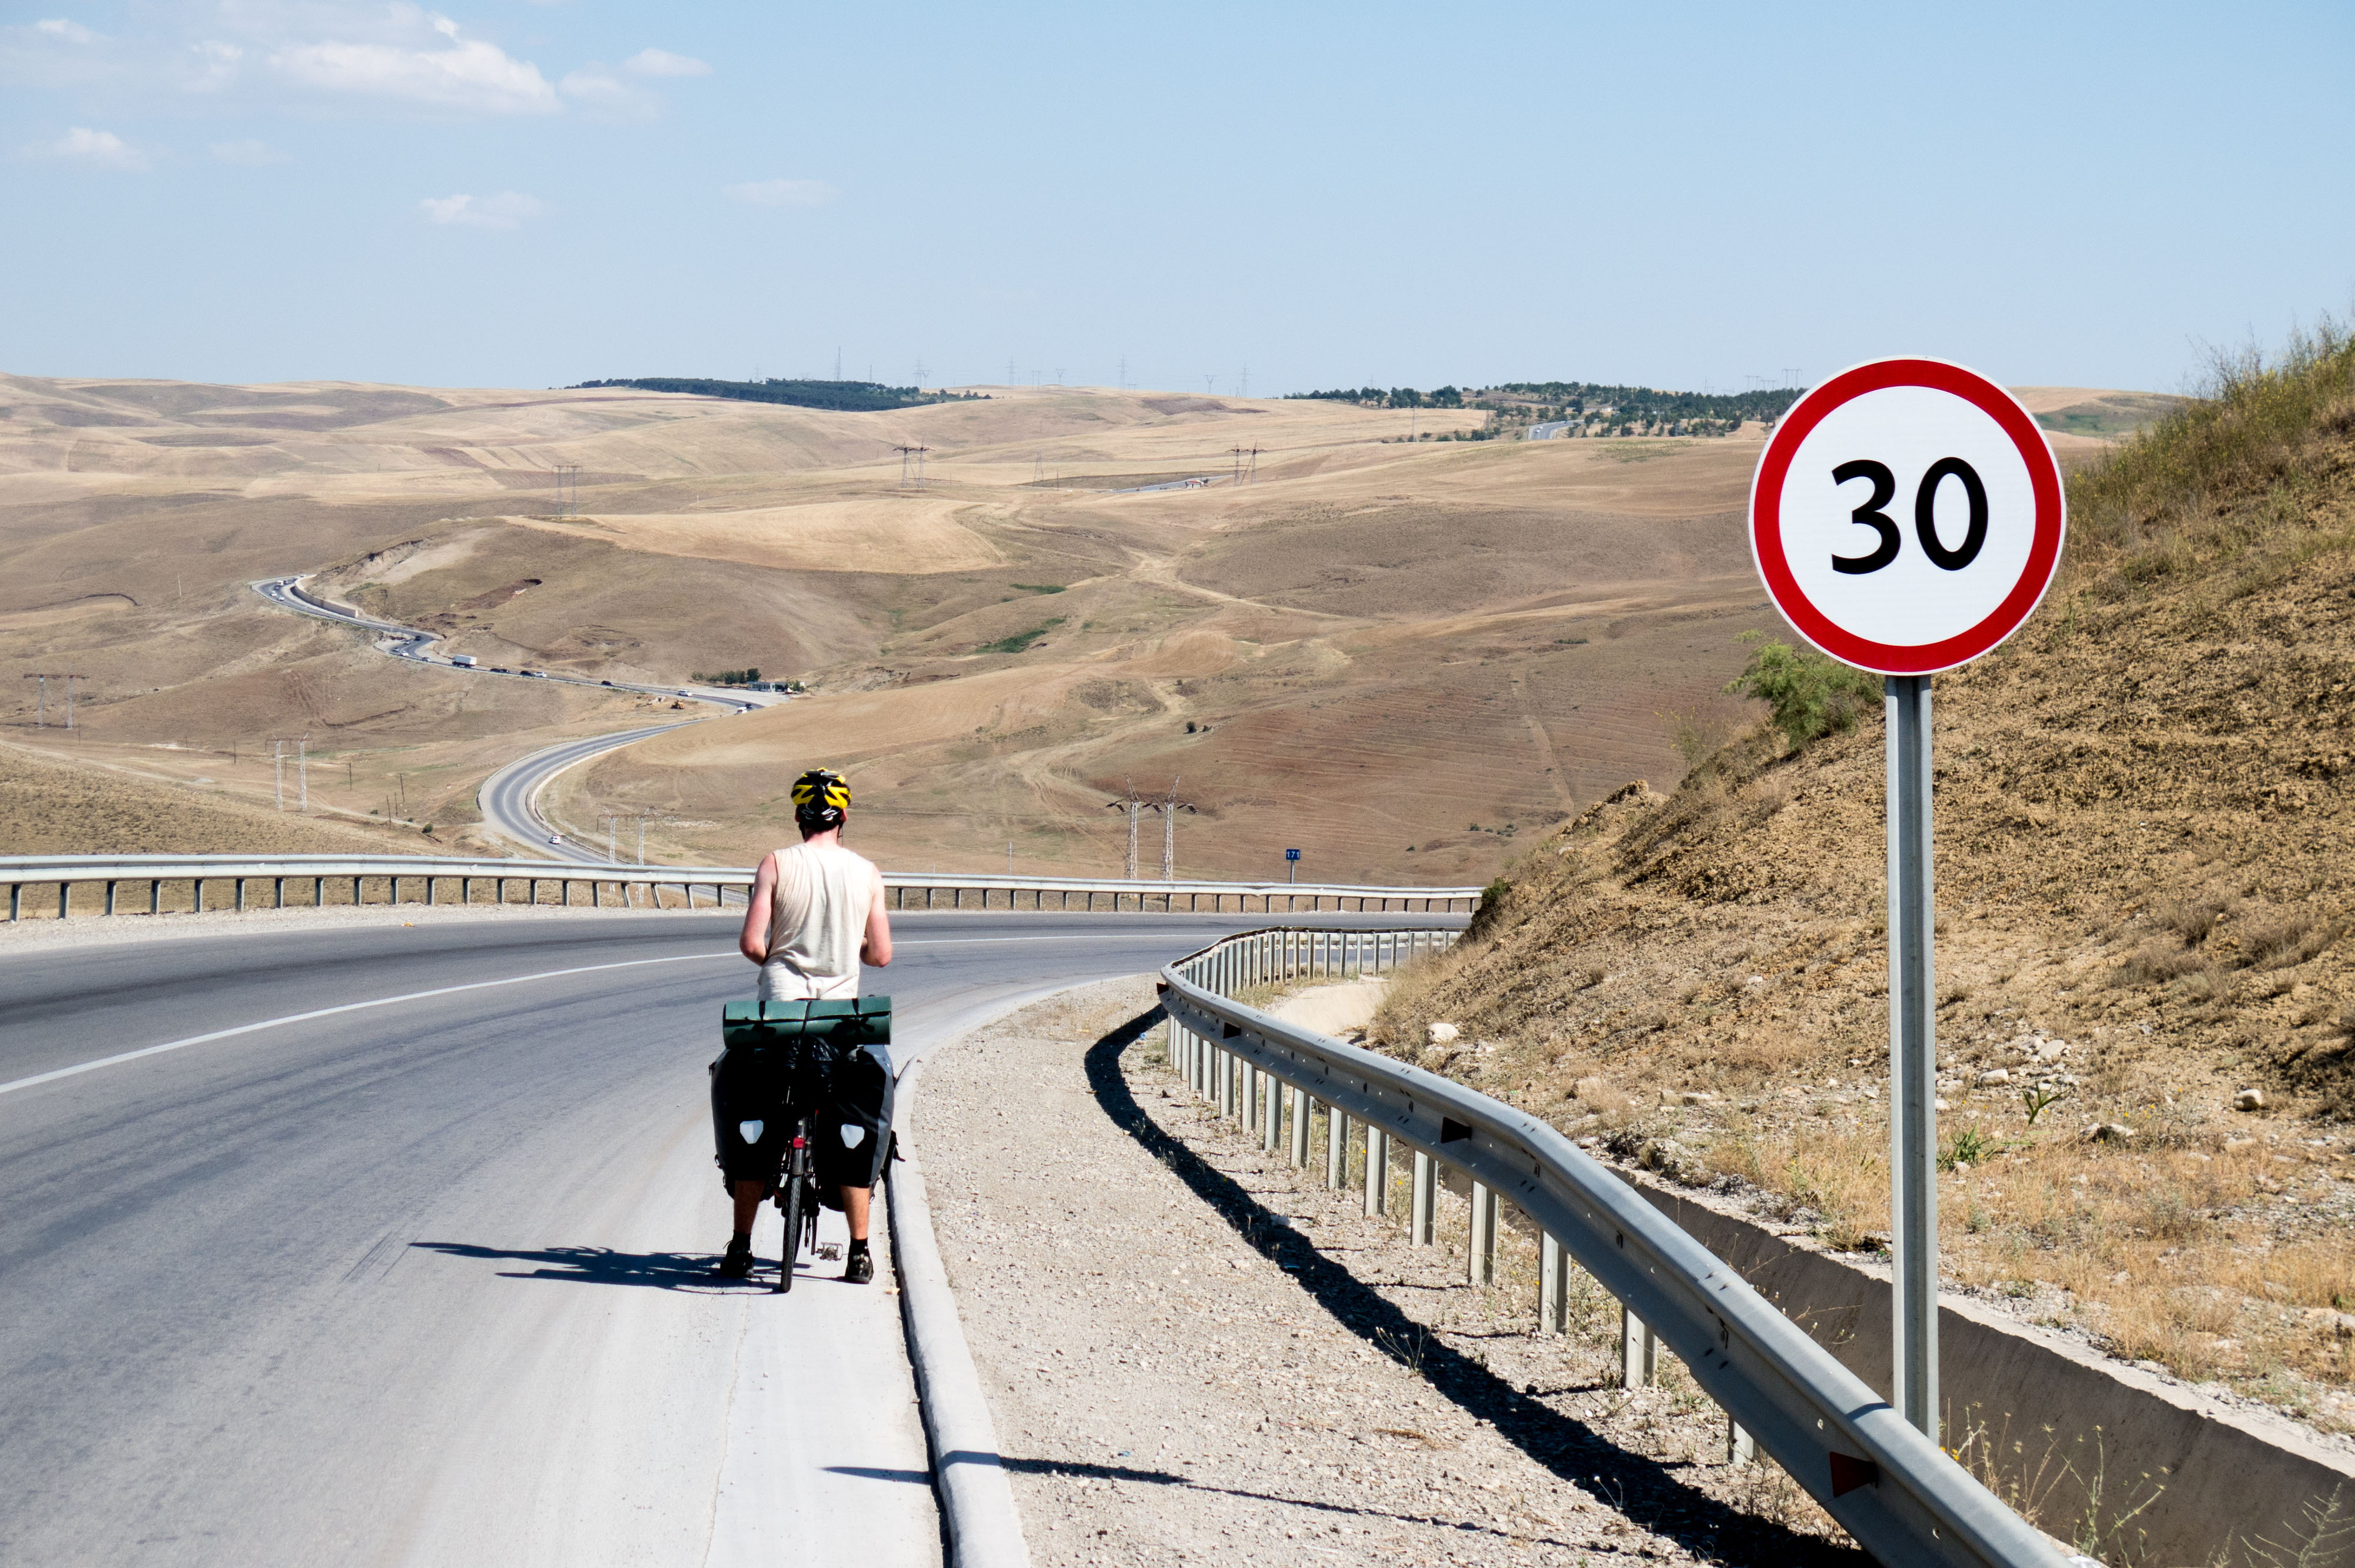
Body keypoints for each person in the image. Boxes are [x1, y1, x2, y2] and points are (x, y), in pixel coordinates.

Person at [714, 767, 894, 1282]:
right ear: (844, 817)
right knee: (859, 1108)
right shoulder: (867, 872)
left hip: (781, 1012)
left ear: (799, 816)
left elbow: (752, 943)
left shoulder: (776, 863)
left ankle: (741, 1246)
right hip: (840, 1019)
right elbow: (881, 955)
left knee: (753, 1105)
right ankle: (859, 1252)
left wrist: (784, 959)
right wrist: (847, 949)